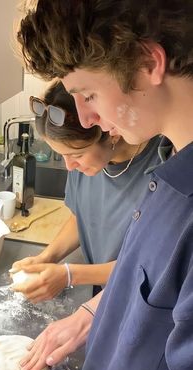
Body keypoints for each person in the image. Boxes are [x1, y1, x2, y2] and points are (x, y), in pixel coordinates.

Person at [12, 1, 193, 370]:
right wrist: (92, 314)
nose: (85, 117)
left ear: (149, 63)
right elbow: (150, 286)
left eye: (88, 94)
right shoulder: (168, 168)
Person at [11, 81, 161, 303]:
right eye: (62, 155)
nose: (69, 166)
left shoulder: (160, 168)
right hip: (103, 291)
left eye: (77, 155)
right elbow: (82, 216)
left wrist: (70, 275)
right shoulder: (86, 162)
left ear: (112, 133)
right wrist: (47, 257)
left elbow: (150, 266)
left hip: (137, 300)